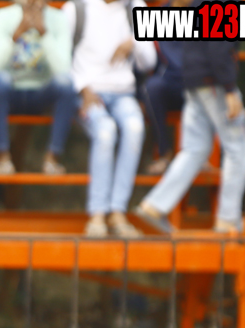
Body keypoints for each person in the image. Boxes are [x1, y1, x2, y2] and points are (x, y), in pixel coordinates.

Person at [135, 34, 245, 234]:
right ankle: (228, 220)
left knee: (194, 149)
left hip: (192, 80)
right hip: (213, 81)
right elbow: (219, 45)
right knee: (237, 148)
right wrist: (230, 88)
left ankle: (154, 206)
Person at [65, 0, 156, 237]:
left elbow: (149, 62)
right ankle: (97, 214)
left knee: (135, 127)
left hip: (123, 92)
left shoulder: (135, 7)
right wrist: (82, 88)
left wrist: (134, 42)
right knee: (105, 132)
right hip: (87, 93)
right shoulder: (76, 8)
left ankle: (117, 212)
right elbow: (61, 58)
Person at [0, 0, 75, 175]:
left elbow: (63, 69)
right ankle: (1, 158)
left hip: (42, 93)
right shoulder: (2, 16)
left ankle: (52, 159)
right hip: (11, 90)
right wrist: (16, 34)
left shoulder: (59, 18)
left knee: (66, 84)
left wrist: (44, 33)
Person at [137, 2, 187, 175]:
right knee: (152, 88)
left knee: (204, 88)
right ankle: (164, 154)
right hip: (168, 82)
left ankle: (197, 157)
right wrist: (138, 96)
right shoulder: (158, 16)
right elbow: (143, 60)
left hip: (196, 82)